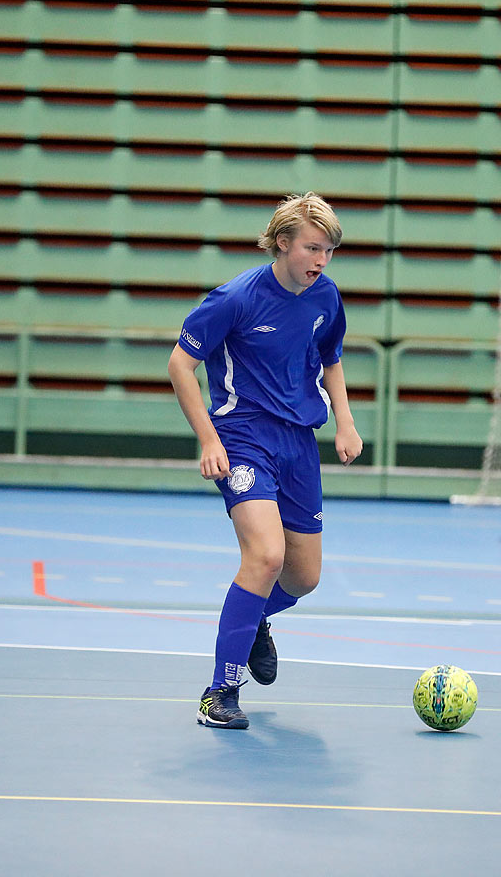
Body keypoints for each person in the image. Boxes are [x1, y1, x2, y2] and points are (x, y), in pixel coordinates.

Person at [167, 192, 363, 730]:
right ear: (283, 243)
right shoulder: (234, 299)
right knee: (266, 556)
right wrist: (209, 440)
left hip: (300, 441)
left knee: (304, 578)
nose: (321, 260)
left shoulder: (326, 296)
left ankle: (253, 619)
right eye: (312, 248)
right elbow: (180, 366)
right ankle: (220, 691)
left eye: (329, 251)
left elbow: (332, 359)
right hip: (244, 435)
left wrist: (345, 422)